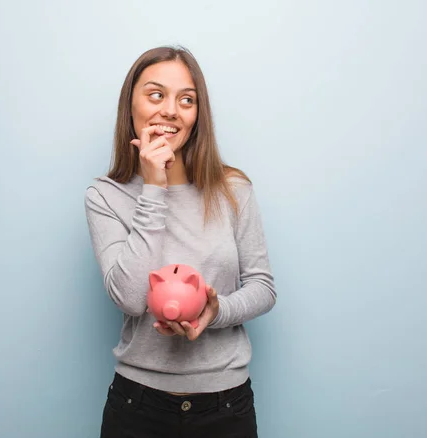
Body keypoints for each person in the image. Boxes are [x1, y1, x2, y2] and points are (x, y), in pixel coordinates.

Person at [84, 45, 277, 438]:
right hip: (137, 405)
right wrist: (154, 187)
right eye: (156, 95)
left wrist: (215, 311)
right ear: (131, 107)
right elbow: (131, 298)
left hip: (226, 405)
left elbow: (263, 287)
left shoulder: (233, 189)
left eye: (186, 100)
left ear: (196, 115)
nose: (171, 110)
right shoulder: (105, 195)